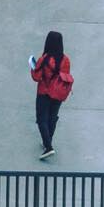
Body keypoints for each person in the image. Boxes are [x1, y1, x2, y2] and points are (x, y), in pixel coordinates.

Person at [29, 30, 72, 160]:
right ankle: (48, 142)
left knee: (42, 118)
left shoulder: (44, 59)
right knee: (52, 117)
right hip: (58, 93)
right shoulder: (66, 60)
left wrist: (32, 67)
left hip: (44, 92)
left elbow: (36, 77)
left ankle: (48, 147)